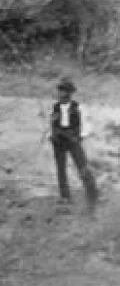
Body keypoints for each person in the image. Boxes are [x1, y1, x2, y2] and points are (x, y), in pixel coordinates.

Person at [48, 78, 100, 210]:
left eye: (63, 91)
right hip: (59, 140)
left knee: (82, 166)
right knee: (61, 169)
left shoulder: (78, 108)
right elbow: (52, 123)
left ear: (69, 93)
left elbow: (87, 125)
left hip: (73, 139)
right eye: (59, 90)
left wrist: (79, 137)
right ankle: (65, 197)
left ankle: (92, 195)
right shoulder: (55, 107)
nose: (60, 93)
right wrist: (52, 135)